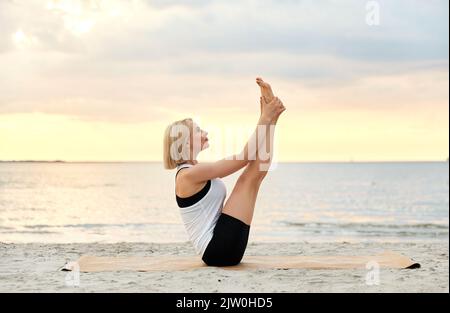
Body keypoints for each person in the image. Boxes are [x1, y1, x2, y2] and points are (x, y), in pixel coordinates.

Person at [163, 77, 286, 266]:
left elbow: (258, 167)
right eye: (198, 130)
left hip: (224, 248)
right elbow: (244, 156)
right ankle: (271, 115)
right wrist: (264, 117)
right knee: (248, 179)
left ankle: (273, 116)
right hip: (217, 250)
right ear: (186, 142)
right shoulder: (188, 175)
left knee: (255, 175)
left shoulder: (194, 170)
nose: (204, 132)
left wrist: (268, 117)